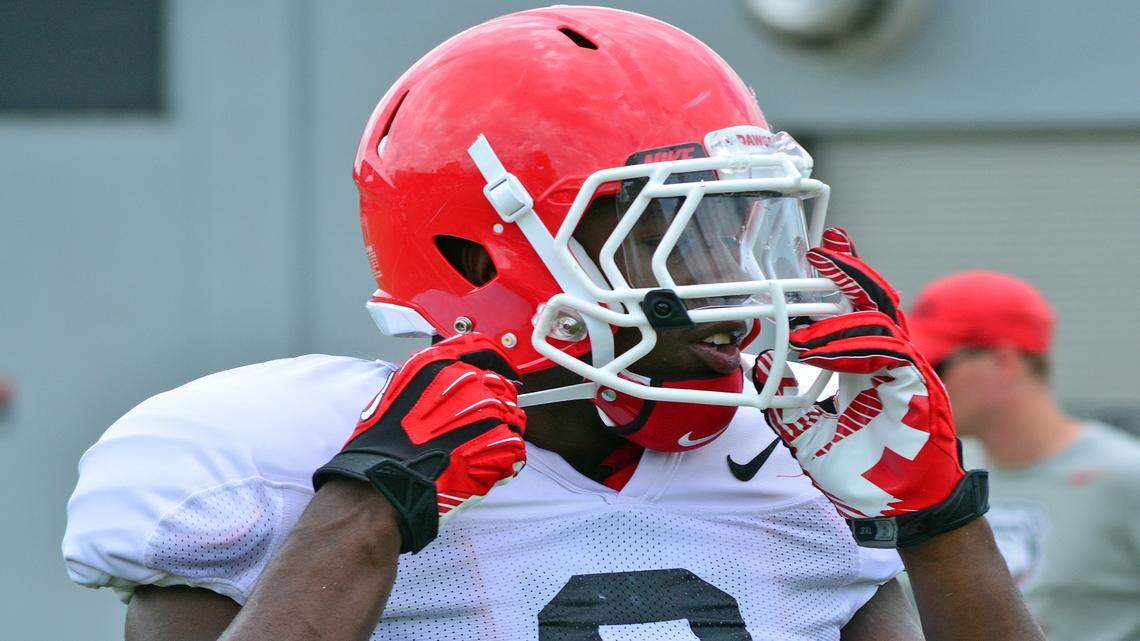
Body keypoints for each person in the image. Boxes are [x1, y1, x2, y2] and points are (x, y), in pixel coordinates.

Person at [62, 7, 1042, 641]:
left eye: (739, 231)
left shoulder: (797, 461)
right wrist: (361, 514)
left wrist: (935, 518)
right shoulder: (273, 459)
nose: (734, 283)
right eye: (679, 236)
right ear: (483, 256)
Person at [908, 270, 1140, 641]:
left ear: (1004, 362)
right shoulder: (947, 474)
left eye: (934, 366)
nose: (917, 383)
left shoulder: (1127, 476)